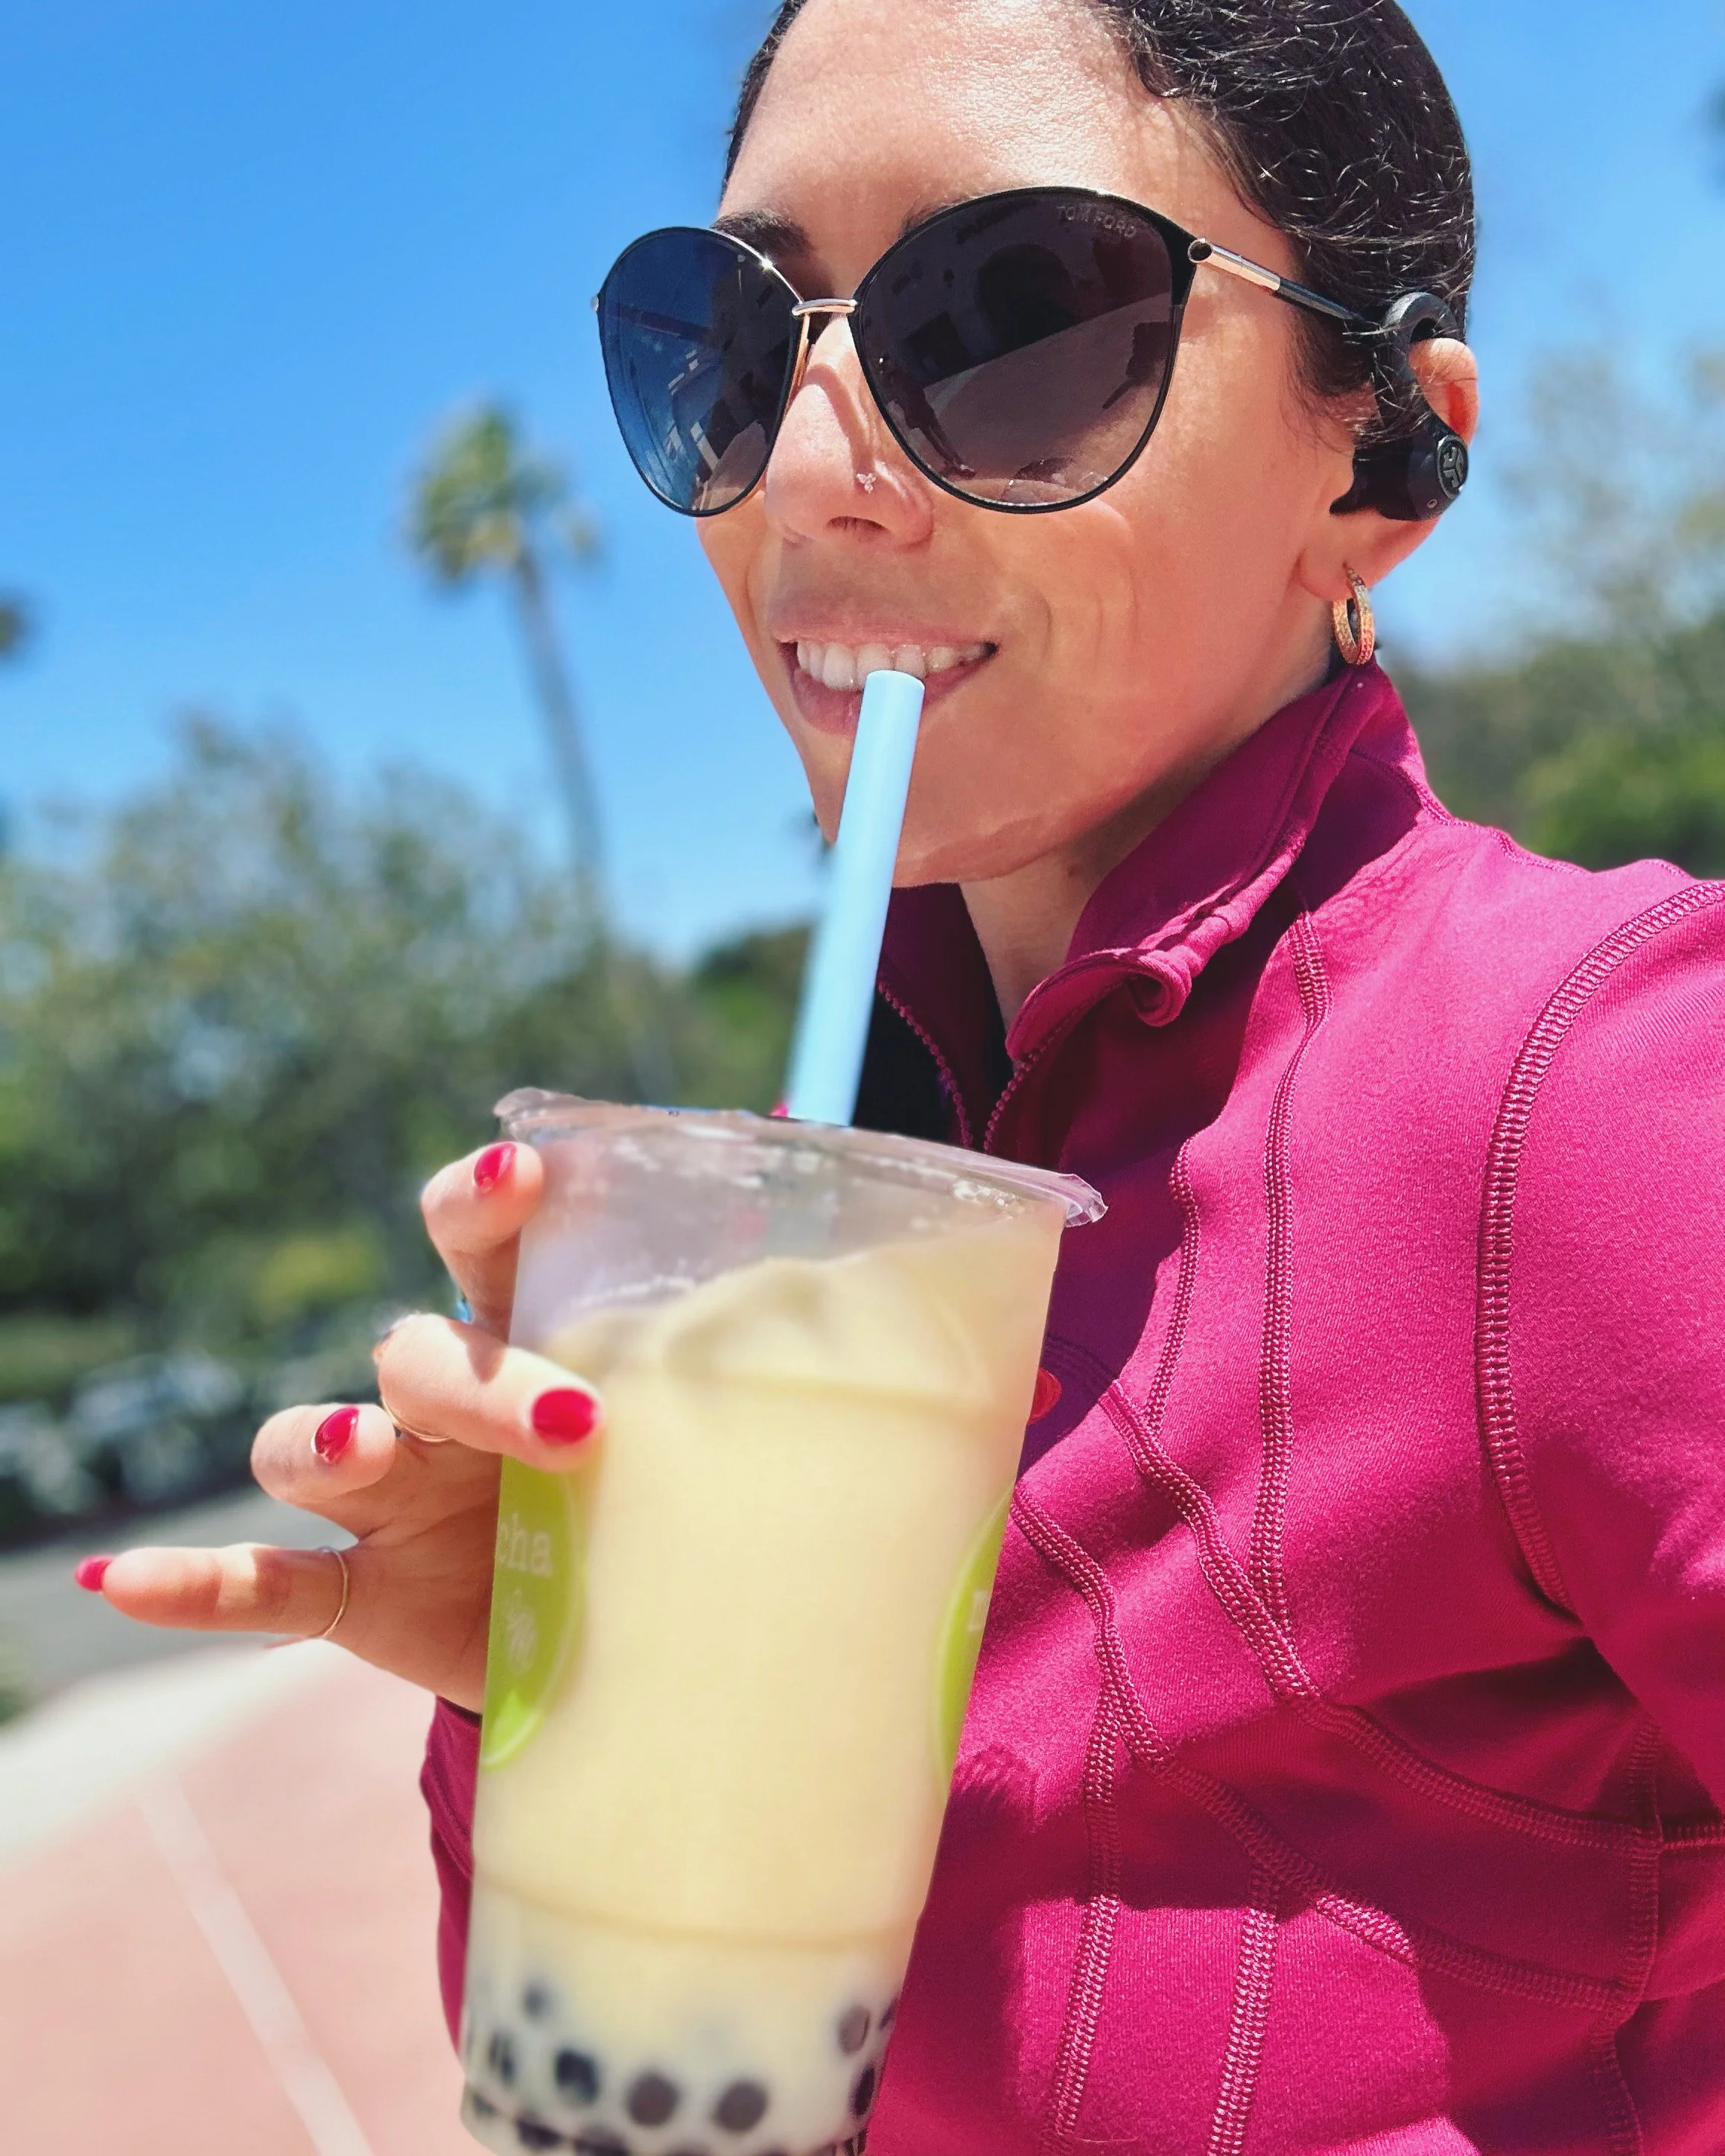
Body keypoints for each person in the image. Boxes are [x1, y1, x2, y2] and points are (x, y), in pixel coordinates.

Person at [84, 1, 1725, 2149]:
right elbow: (662, 2122)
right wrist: (566, 1700)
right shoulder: (826, 1213)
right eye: (736, 341)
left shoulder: (1593, 1083)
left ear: (1377, 457)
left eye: (1017, 313)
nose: (801, 459)